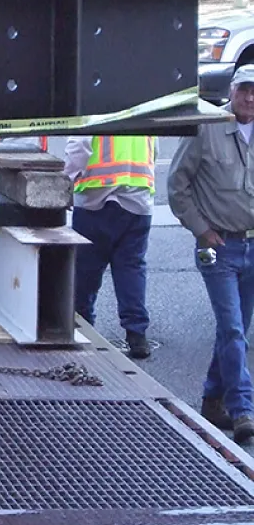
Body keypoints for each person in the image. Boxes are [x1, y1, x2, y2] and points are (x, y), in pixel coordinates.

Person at [169, 64, 254, 444]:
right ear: (232, 92)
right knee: (233, 329)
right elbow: (177, 186)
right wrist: (201, 229)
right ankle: (243, 410)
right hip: (219, 248)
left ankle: (211, 398)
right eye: (244, 90)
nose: (250, 98)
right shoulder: (207, 129)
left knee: (235, 329)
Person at [63, 134, 156, 359]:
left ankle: (81, 326)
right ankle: (137, 334)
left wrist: (66, 182)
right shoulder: (143, 103)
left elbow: (79, 146)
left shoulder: (93, 103)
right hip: (138, 199)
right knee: (131, 269)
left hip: (96, 199)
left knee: (86, 270)